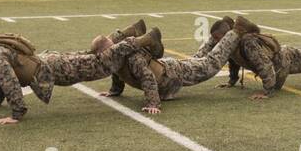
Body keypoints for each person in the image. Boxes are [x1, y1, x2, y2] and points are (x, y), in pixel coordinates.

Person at [0, 29, 157, 123]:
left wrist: (15, 115)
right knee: (89, 57)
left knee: (101, 64)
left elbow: (9, 82)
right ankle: (124, 34)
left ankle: (143, 40)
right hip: (50, 61)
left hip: (53, 68)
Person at [97, 18, 245, 114]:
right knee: (197, 60)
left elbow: (147, 76)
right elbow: (117, 72)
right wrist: (114, 91)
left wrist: (153, 103)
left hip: (172, 74)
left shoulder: (132, 58)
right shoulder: (116, 57)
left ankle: (235, 32)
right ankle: (219, 35)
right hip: (169, 69)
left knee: (209, 65)